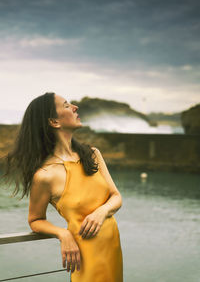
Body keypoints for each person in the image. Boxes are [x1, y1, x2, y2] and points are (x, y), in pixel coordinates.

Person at [2, 92, 123, 282]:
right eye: (67, 105)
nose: (75, 107)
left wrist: (101, 212)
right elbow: (35, 220)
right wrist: (62, 233)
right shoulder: (45, 175)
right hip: (83, 255)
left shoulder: (92, 154)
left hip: (112, 250)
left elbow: (116, 197)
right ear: (54, 122)